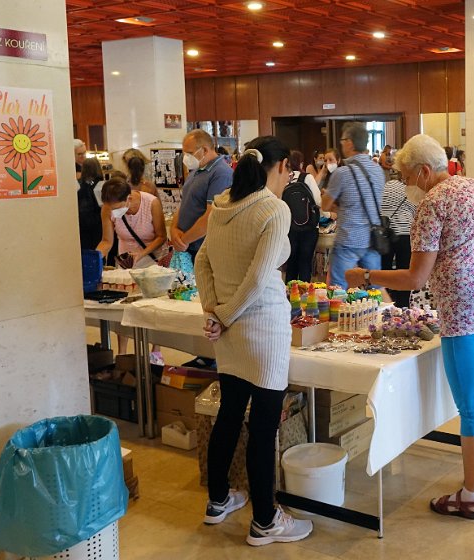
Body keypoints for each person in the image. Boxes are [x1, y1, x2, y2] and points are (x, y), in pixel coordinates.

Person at [344, 133, 474, 520]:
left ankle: (472, 496)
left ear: (424, 171)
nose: (407, 185)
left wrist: (366, 276)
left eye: (407, 177)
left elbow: (416, 278)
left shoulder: (432, 203)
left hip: (465, 308)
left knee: (472, 406)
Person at [195, 136, 314, 546]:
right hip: (262, 329)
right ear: (281, 167)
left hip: (229, 331)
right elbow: (260, 276)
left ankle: (218, 500)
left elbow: (202, 260)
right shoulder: (273, 209)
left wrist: (213, 311)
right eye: (289, 171)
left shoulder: (223, 204)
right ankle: (265, 520)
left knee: (230, 414)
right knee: (263, 427)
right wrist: (222, 316)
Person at [323, 122, 385, 289]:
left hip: (348, 238)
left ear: (350, 143)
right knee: (375, 288)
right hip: (373, 238)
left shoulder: (342, 173)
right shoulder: (378, 170)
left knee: (338, 289)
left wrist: (334, 200)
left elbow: (325, 205)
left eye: (343, 140)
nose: (341, 144)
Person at [171, 129, 233, 262]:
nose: (186, 158)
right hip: (187, 246)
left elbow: (212, 215)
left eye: (190, 153)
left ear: (204, 150)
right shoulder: (196, 171)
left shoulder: (221, 173)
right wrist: (174, 229)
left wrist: (184, 240)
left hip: (203, 249)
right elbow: (185, 203)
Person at [96, 177, 167, 268]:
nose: (113, 211)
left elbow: (161, 237)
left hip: (153, 262)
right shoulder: (107, 208)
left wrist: (141, 254)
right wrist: (96, 257)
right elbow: (106, 241)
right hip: (126, 263)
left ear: (128, 198)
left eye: (117, 208)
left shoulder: (152, 203)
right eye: (110, 208)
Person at [284, 150, 322, 282]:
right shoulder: (307, 177)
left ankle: (289, 291)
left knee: (291, 264)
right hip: (309, 227)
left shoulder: (284, 178)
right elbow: (318, 201)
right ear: (301, 163)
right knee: (305, 263)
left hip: (289, 227)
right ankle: (304, 291)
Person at [379, 175, 417, 307]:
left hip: (386, 234)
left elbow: (379, 210)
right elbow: (415, 210)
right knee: (405, 270)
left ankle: (385, 302)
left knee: (384, 270)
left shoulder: (382, 189)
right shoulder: (407, 190)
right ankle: (403, 304)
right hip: (405, 233)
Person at [78, 157, 104, 251]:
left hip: (81, 222)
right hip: (99, 222)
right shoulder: (101, 185)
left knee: (85, 250)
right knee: (99, 249)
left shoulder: (78, 185)